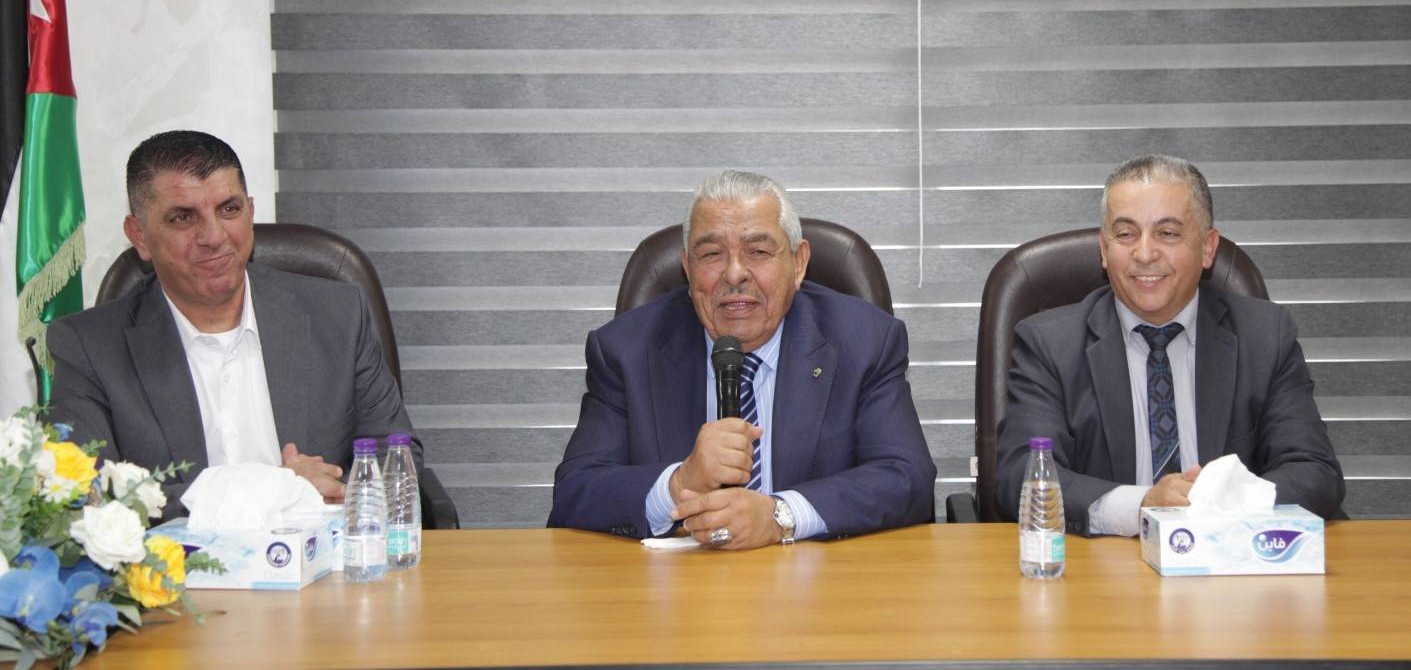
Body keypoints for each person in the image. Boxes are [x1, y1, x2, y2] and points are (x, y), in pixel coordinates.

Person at [548, 170, 935, 549]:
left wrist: (778, 516)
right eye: (711, 254)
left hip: (818, 582)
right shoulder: (625, 351)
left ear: (799, 263)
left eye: (758, 252)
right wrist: (678, 485)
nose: (734, 274)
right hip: (679, 584)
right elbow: (576, 491)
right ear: (687, 267)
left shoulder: (865, 341)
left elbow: (906, 477)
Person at [47, 130, 419, 519]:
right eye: (183, 217)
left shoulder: (337, 315)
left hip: (317, 552)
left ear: (250, 212)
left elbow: (396, 456)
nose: (213, 236)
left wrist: (338, 496)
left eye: (229, 209)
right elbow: (86, 497)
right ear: (139, 236)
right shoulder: (88, 348)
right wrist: (276, 488)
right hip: (180, 559)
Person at [994, 154, 1344, 536]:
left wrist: (1216, 507)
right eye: (1126, 234)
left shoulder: (1264, 337)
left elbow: (1313, 472)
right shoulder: (1049, 345)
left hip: (1228, 560)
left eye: (1168, 233)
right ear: (1104, 249)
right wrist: (1142, 506)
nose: (1145, 254)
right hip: (1105, 564)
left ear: (1208, 248)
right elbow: (1022, 478)